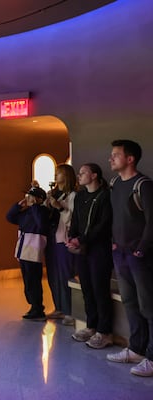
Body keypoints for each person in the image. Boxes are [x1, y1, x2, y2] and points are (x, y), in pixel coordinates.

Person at [106, 139, 153, 377]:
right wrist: (115, 243)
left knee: (148, 305)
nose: (111, 158)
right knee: (130, 303)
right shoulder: (115, 183)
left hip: (139, 257)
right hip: (120, 253)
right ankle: (136, 349)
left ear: (130, 159)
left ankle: (152, 357)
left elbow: (152, 223)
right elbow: (116, 217)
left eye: (115, 155)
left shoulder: (143, 185)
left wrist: (141, 249)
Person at [67, 163, 114, 349]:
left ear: (94, 175)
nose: (79, 176)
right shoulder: (80, 196)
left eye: (83, 173)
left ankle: (105, 331)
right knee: (86, 287)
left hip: (98, 249)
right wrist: (72, 238)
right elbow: (76, 219)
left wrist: (83, 239)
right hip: (82, 249)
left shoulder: (104, 196)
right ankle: (91, 325)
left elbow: (104, 224)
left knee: (99, 289)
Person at [6, 185, 50, 320]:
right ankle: (33, 306)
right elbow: (10, 217)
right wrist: (18, 206)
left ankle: (37, 307)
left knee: (33, 280)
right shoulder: (26, 212)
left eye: (31, 196)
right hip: (23, 250)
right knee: (27, 281)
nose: (28, 198)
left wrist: (36, 206)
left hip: (33, 251)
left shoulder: (42, 211)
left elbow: (41, 224)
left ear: (38, 199)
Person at [44, 164, 78, 326]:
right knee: (53, 275)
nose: (56, 175)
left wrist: (59, 208)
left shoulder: (73, 196)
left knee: (66, 275)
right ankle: (58, 306)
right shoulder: (58, 194)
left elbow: (72, 218)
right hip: (51, 239)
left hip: (64, 240)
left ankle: (70, 311)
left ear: (67, 176)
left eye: (59, 173)